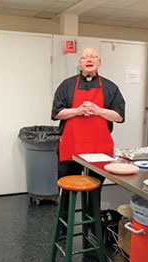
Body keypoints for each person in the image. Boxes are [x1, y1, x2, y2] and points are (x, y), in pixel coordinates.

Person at [51, 47, 125, 228]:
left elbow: (119, 116)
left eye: (93, 56)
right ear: (79, 63)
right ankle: (63, 227)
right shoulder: (67, 85)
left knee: (94, 190)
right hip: (72, 146)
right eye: (85, 57)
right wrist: (77, 111)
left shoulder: (110, 87)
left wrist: (99, 111)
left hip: (98, 149)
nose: (89, 59)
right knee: (68, 190)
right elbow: (56, 113)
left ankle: (92, 229)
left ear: (98, 61)